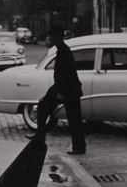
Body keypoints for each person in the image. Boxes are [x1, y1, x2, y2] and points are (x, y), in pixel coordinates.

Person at [29, 23, 86, 155]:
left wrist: (60, 93)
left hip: (68, 89)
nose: (50, 39)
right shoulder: (61, 50)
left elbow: (67, 74)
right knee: (44, 106)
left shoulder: (64, 51)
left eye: (52, 36)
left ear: (57, 37)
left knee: (74, 120)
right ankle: (40, 137)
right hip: (64, 87)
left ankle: (79, 147)